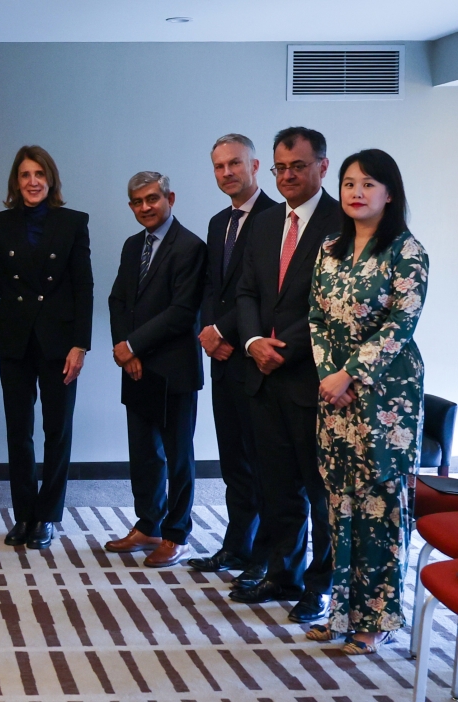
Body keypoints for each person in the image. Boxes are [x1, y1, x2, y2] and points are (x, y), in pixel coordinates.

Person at [305, 149, 427, 653]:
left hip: (385, 400)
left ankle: (373, 621)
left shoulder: (406, 250)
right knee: (341, 507)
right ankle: (340, 612)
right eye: (349, 182)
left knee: (378, 508)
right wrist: (329, 376)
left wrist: (350, 374)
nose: (356, 192)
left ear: (389, 192)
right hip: (334, 397)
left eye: (368, 183)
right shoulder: (329, 248)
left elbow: (402, 324)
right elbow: (314, 315)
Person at [0, 145, 93, 550]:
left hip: (58, 342)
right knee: (18, 433)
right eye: (25, 175)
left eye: (39, 175)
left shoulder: (73, 222)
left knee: (56, 432)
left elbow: (84, 286)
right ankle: (25, 514)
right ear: (16, 181)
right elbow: (2, 281)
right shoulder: (2, 222)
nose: (32, 182)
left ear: (51, 180)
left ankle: (47, 516)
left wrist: (80, 344)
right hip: (14, 339)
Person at [232, 127, 341, 623]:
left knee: (319, 492)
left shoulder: (343, 221)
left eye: (298, 165)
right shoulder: (265, 220)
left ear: (322, 164)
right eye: (280, 167)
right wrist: (254, 342)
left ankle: (320, 586)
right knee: (276, 487)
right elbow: (247, 291)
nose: (288, 175)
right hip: (262, 374)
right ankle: (284, 573)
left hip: (312, 377)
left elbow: (331, 305)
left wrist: (284, 347)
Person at [105, 172, 206, 567]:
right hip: (136, 368)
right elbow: (117, 300)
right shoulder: (134, 246)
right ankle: (148, 525)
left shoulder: (190, 247)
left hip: (174, 370)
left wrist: (133, 345)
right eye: (137, 202)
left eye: (152, 199)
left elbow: (182, 313)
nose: (145, 207)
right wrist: (125, 351)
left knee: (178, 456)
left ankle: (176, 533)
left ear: (170, 198)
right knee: (144, 453)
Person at [190, 135, 278, 586]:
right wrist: (210, 333)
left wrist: (224, 331)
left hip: (255, 357)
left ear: (255, 165)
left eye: (235, 164)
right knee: (233, 460)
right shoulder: (217, 222)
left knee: (261, 460)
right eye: (219, 166)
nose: (227, 173)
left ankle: (264, 556)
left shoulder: (276, 218)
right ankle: (237, 544)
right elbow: (211, 285)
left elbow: (263, 292)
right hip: (221, 357)